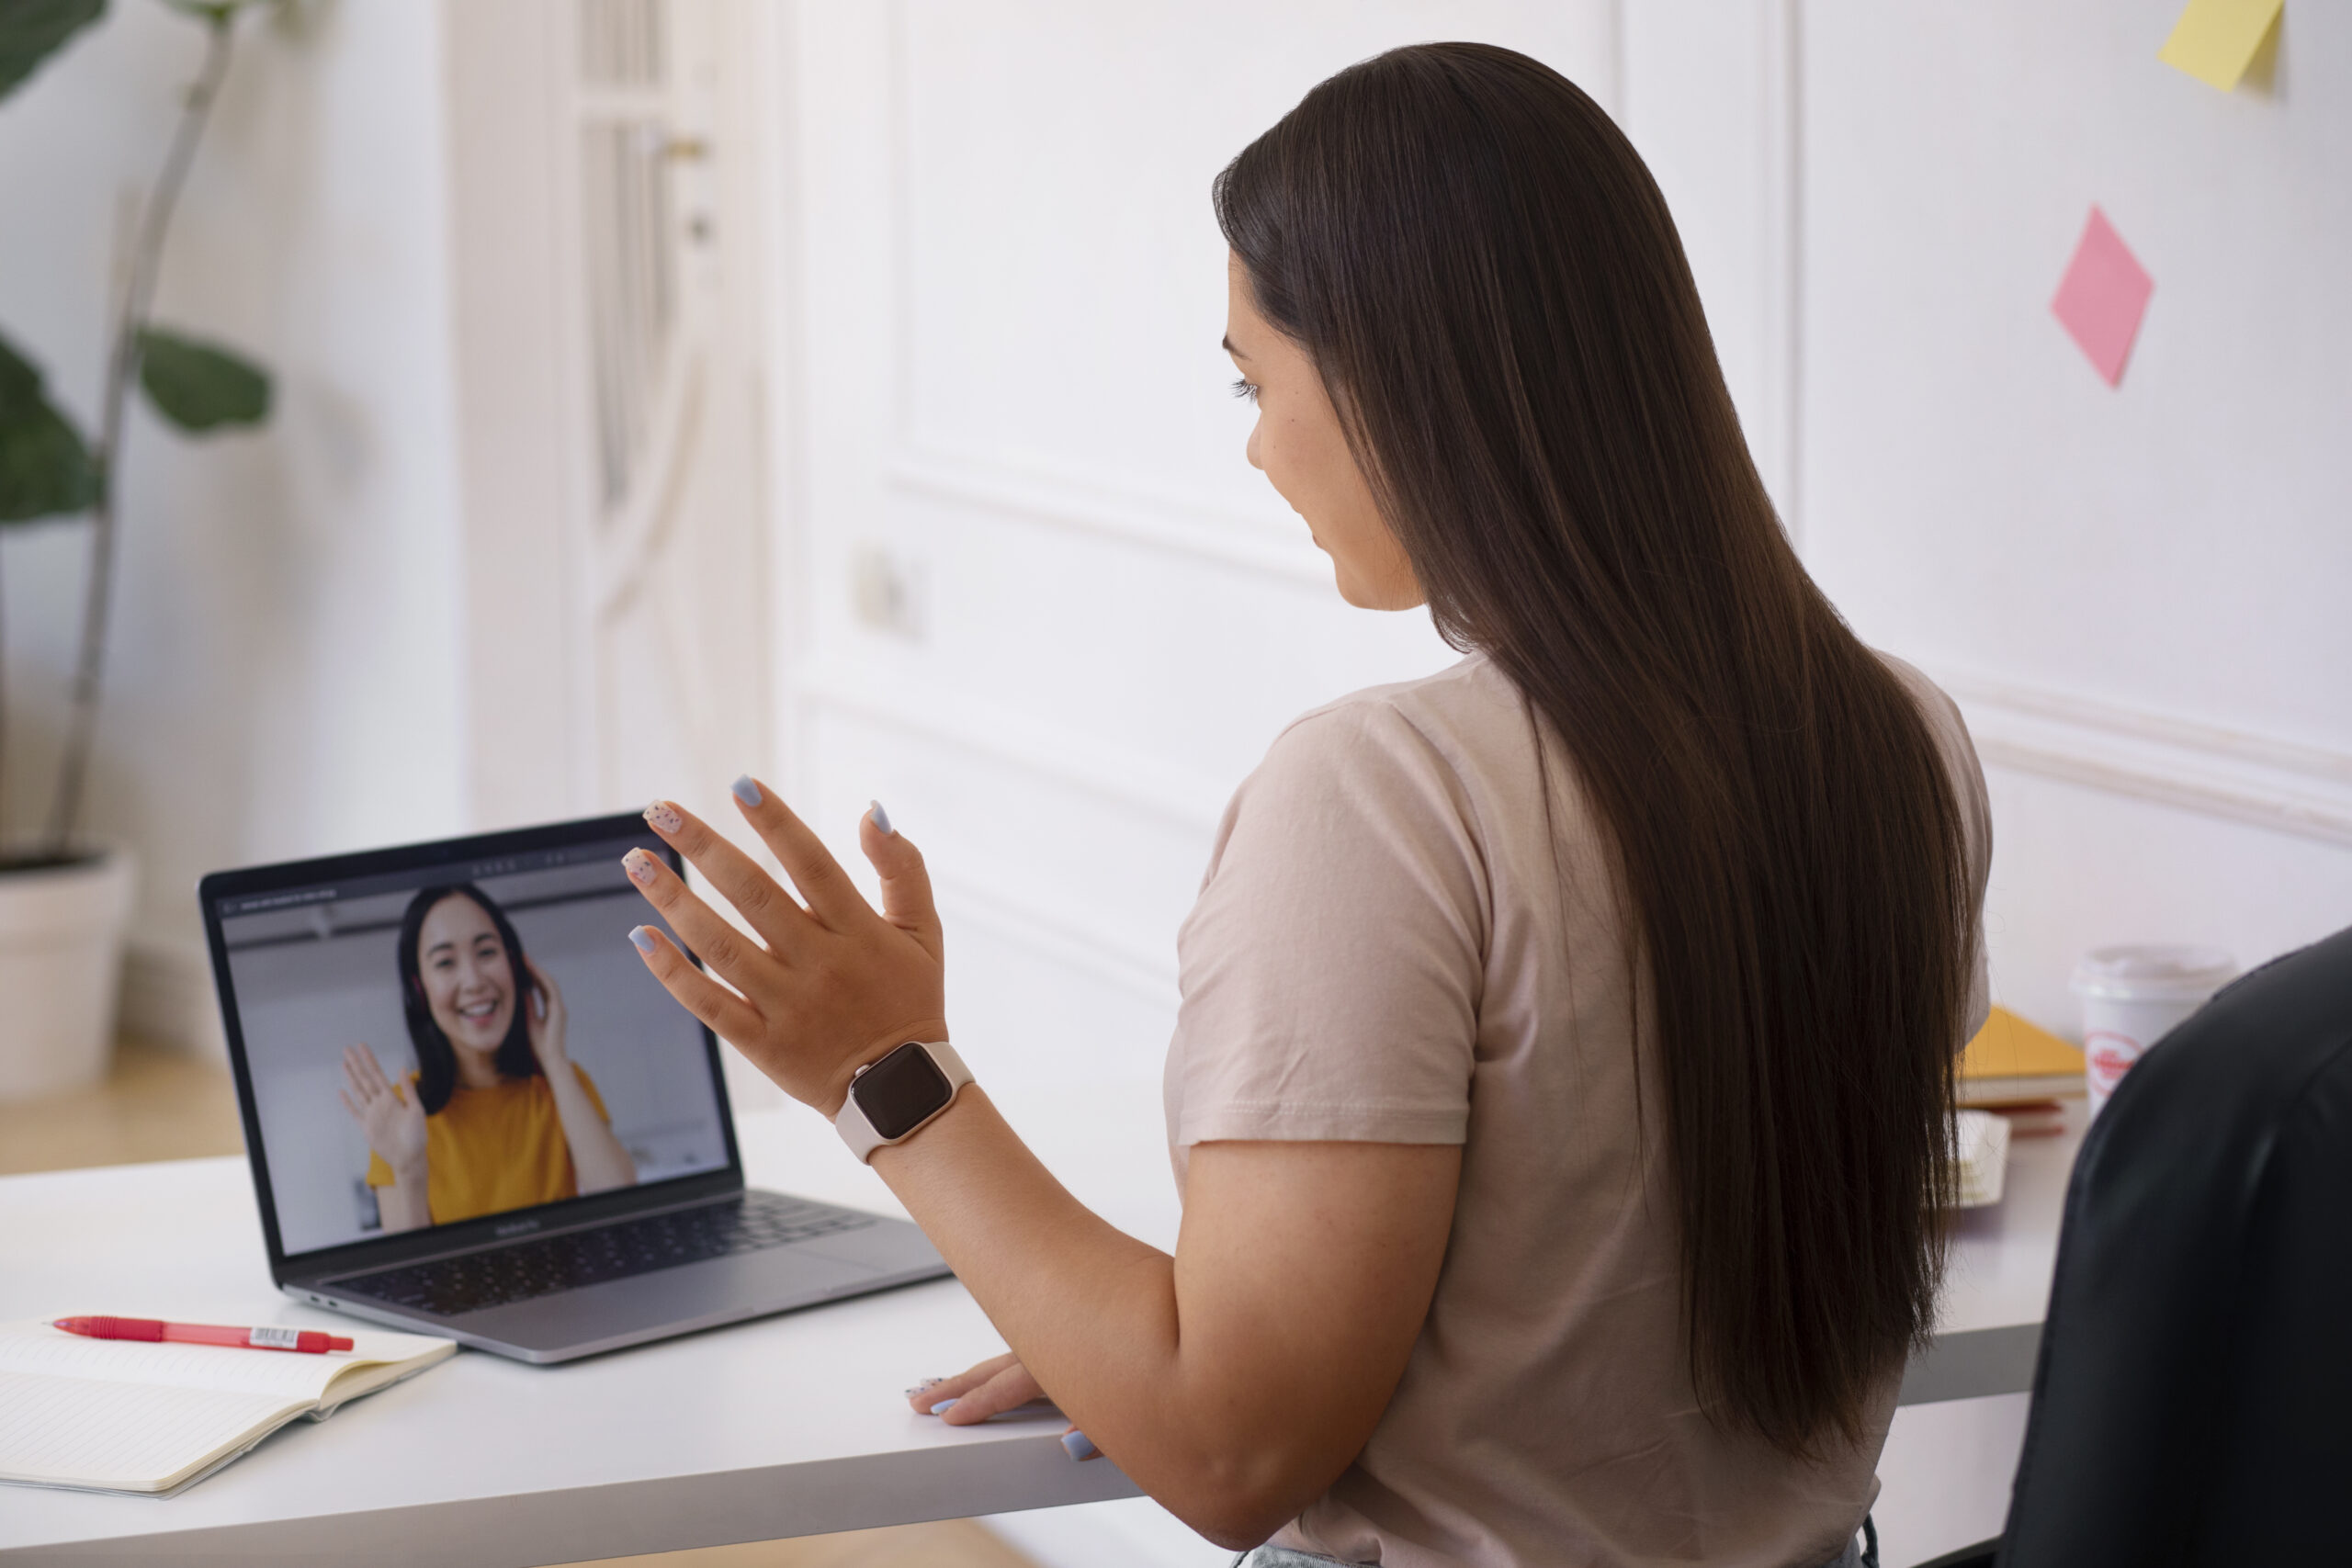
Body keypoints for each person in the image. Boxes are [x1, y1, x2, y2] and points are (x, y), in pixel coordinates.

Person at [621, 42, 1988, 1568]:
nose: (1259, 446)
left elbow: (1229, 1453)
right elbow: (1600, 1281)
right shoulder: (1904, 742)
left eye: (1255, 379)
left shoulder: (1389, 796)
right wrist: (1127, 1334)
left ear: (1409, 377)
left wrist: (888, 1074)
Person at [339, 884, 638, 1233]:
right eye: (446, 962)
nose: (474, 981)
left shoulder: (561, 1081)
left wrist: (553, 1058)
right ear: (420, 989)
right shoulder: (400, 1113)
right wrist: (408, 1171)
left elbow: (624, 1212)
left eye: (486, 952)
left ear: (515, 966)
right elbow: (411, 1278)